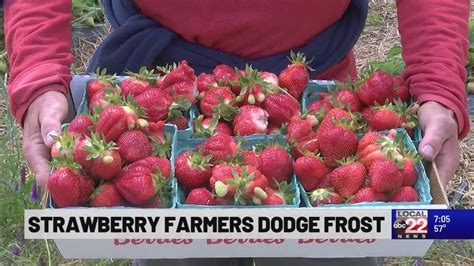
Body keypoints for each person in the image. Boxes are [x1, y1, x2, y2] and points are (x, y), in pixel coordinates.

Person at [3, 0, 470, 265]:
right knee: (174, 251)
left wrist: (436, 80)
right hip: (172, 109)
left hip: (315, 94)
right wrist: (40, 74)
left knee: (335, 255)